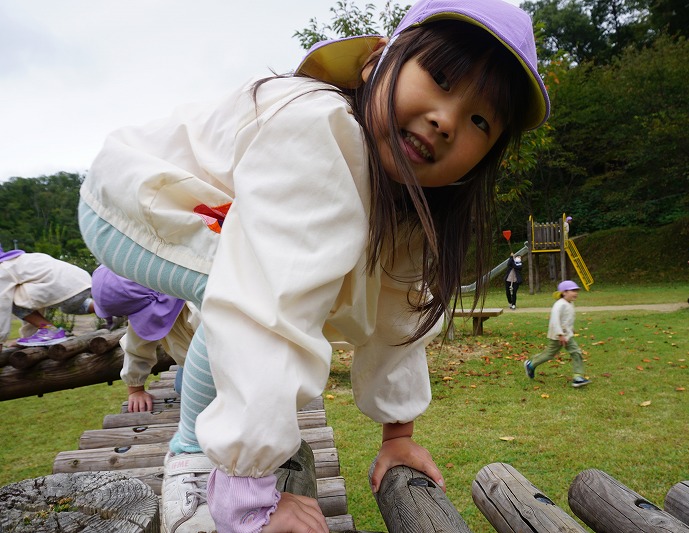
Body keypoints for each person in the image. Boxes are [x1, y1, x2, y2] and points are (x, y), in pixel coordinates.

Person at [77, 0, 550, 531]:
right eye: (439, 79)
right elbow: (270, 301)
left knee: (247, 280)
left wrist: (398, 436)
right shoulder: (320, 126)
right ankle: (195, 459)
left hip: (204, 215)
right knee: (240, 285)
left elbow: (401, 314)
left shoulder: (410, 206)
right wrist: (250, 487)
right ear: (375, 62)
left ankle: (228, 453)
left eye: (480, 120)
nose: (446, 121)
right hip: (140, 201)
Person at [91, 265, 199, 412]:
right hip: (191, 363)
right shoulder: (148, 305)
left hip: (222, 362)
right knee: (184, 387)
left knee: (197, 393)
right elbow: (137, 347)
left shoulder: (198, 309)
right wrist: (135, 388)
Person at [0, 245, 95, 349]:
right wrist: (27, 337)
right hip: (82, 283)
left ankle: (49, 330)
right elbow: (31, 303)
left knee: (11, 298)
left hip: (61, 288)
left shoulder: (3, 269)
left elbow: (2, 305)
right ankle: (104, 308)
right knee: (70, 306)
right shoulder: (22, 259)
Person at [524, 280, 590, 388]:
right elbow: (555, 321)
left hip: (567, 336)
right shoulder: (559, 305)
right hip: (557, 336)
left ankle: (578, 377)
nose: (576, 293)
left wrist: (571, 329)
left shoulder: (570, 303)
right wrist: (560, 334)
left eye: (576, 291)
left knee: (576, 352)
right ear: (564, 292)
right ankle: (530, 365)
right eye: (573, 291)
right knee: (549, 354)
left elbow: (567, 319)